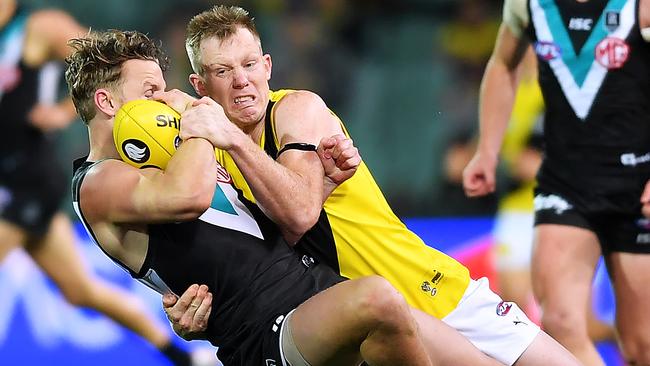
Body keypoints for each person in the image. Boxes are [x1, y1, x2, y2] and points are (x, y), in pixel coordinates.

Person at [64, 28, 510, 366]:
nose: (165, 99)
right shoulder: (97, 182)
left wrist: (325, 183)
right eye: (150, 92)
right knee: (378, 299)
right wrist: (200, 119)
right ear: (106, 102)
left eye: (164, 88)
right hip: (265, 328)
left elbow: (265, 223)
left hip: (318, 291)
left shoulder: (173, 154)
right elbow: (189, 198)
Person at [166, 5, 580, 366]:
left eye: (250, 64)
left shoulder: (296, 110)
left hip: (429, 289)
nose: (241, 80)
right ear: (200, 85)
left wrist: (231, 136)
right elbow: (244, 252)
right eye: (223, 70)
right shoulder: (207, 156)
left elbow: (298, 213)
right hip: (362, 327)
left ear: (268, 66)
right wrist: (194, 307)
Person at [0, 1, 193, 364]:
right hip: (8, 185)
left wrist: (59, 113)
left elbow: (103, 62)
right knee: (80, 291)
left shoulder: (39, 27)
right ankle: (182, 357)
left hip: (29, 180)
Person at [462, 0, 650, 364]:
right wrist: (487, 150)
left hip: (637, 185)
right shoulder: (527, 4)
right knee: (559, 323)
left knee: (642, 344)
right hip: (564, 184)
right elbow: (503, 64)